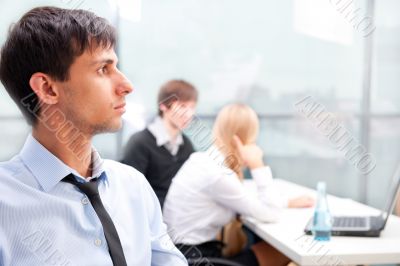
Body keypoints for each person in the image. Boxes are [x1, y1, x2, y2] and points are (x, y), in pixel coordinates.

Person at [0, 6, 186, 266]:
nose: (127, 86)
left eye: (116, 67)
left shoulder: (133, 186)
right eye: (103, 69)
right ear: (48, 89)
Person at [163, 103, 314, 266]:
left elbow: (244, 197)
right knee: (280, 251)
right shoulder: (219, 173)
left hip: (184, 255)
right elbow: (271, 212)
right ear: (242, 139)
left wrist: (287, 202)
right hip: (197, 260)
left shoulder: (204, 160)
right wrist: (257, 164)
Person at [121, 80, 197, 208]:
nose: (189, 114)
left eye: (192, 108)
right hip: (151, 221)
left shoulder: (186, 145)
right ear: (163, 106)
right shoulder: (140, 143)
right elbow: (130, 195)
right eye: (183, 107)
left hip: (179, 218)